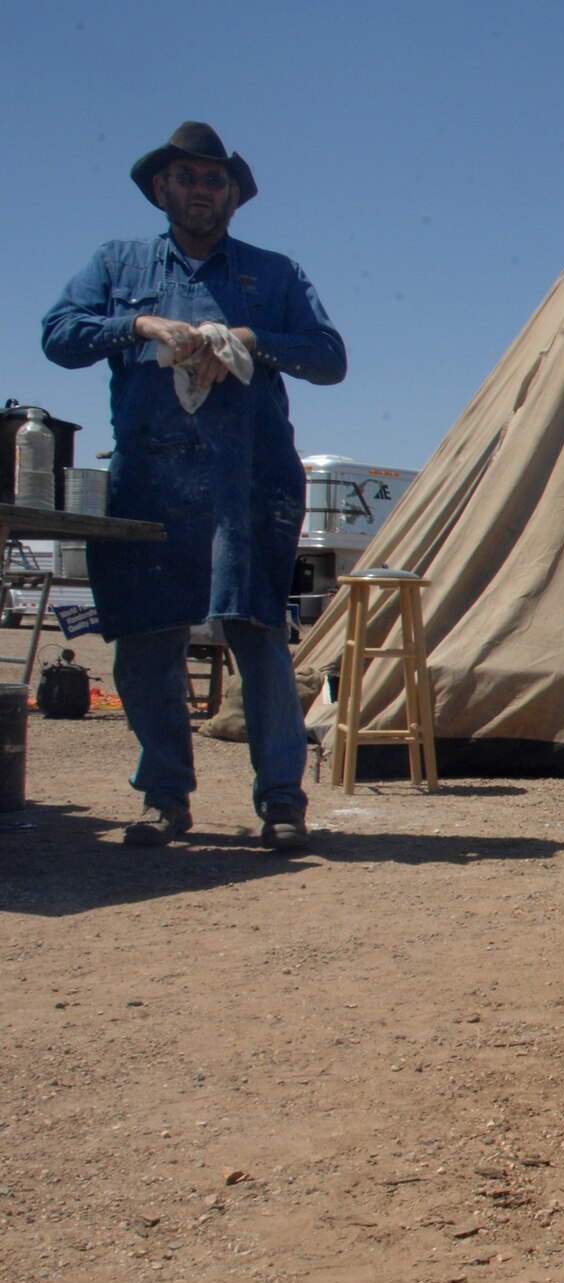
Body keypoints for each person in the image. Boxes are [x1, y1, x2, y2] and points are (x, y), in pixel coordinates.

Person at [43, 122, 347, 851]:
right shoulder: (117, 265)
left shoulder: (274, 276)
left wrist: (244, 339)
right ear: (162, 189)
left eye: (216, 180)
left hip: (249, 478)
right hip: (150, 479)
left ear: (235, 197)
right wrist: (140, 324)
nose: (202, 189)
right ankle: (165, 799)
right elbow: (59, 334)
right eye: (187, 177)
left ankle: (282, 802)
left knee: (258, 633)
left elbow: (329, 357)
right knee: (147, 638)